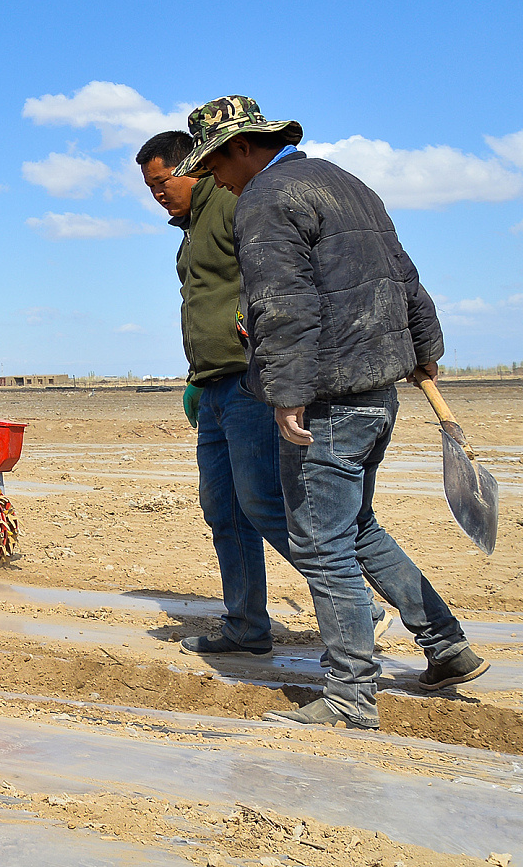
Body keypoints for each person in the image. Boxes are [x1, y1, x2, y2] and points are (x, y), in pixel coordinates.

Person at [176, 95, 489, 729]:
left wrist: (288, 393)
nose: (217, 181)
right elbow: (406, 276)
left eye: (216, 166)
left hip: (329, 395)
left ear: (242, 148)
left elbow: (281, 302)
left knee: (320, 545)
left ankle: (350, 695)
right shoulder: (349, 185)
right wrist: (425, 348)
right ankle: (446, 646)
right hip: (378, 393)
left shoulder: (267, 199)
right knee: (357, 528)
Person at [137, 128, 305, 658]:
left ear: (192, 168)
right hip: (211, 385)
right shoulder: (191, 228)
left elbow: (274, 276)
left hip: (248, 381)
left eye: (163, 182)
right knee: (223, 509)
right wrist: (195, 376)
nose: (157, 194)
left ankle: (348, 603)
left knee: (263, 503)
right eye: (150, 187)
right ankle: (247, 625)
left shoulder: (234, 205)